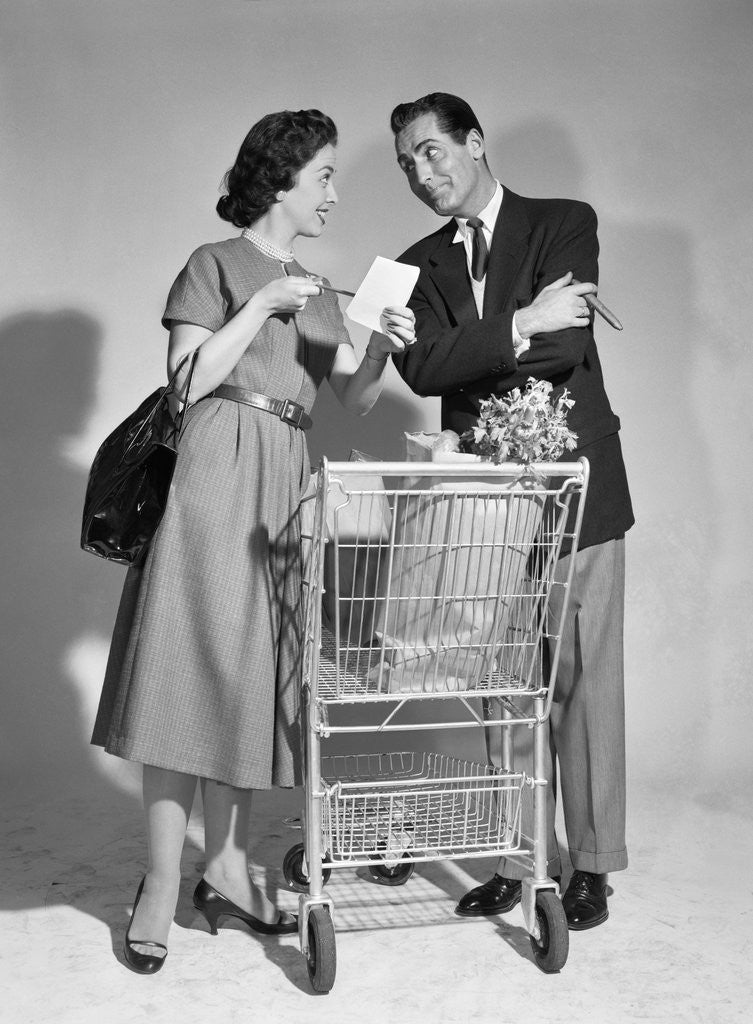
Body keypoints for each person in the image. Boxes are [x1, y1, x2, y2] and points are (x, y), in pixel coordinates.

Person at [91, 108, 416, 974]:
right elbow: (190, 381)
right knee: (179, 671)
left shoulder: (314, 284)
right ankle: (162, 882)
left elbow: (354, 398)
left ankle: (227, 870)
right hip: (214, 472)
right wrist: (262, 303)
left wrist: (380, 344)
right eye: (325, 178)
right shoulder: (216, 264)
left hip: (280, 484)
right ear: (279, 181)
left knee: (243, 678)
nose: (335, 195)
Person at [386, 92, 634, 931]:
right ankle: (519, 855)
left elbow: (569, 349)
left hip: (577, 486)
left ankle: (591, 864)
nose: (422, 174)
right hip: (481, 502)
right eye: (406, 164)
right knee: (500, 682)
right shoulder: (415, 261)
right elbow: (418, 370)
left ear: (475, 143)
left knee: (582, 679)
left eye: (430, 152)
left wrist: (485, 350)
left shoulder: (565, 220)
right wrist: (524, 320)